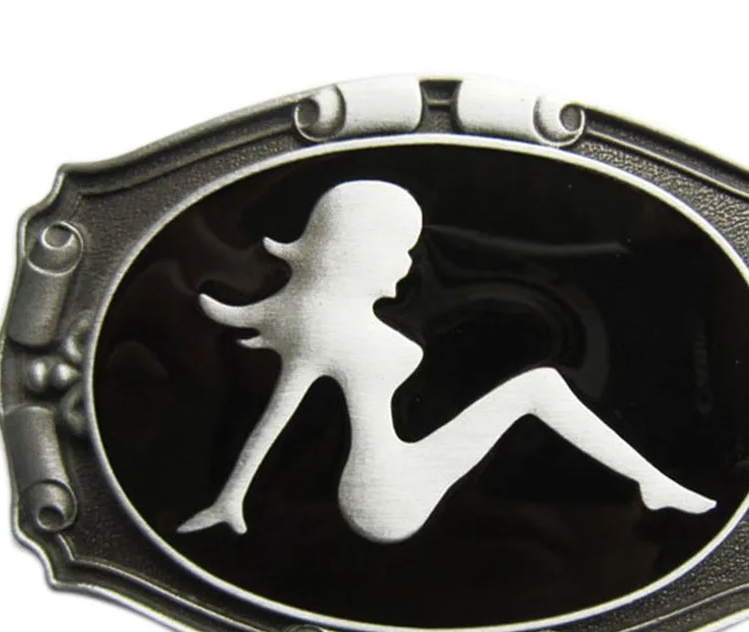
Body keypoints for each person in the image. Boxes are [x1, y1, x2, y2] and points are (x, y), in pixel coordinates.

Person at [179, 180, 715, 543]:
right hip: (384, 494)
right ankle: (653, 483)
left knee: (540, 387)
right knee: (541, 387)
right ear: (357, 248)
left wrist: (231, 499)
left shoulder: (340, 324)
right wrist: (230, 501)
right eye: (400, 248)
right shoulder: (324, 327)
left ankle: (652, 483)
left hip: (394, 476)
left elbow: (278, 417)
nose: (408, 263)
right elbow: (278, 413)